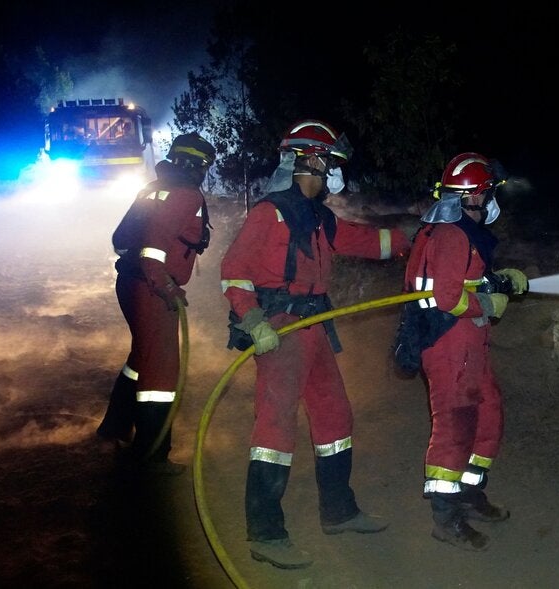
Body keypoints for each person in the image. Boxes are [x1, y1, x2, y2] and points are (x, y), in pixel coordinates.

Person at [220, 119, 411, 569]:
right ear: (308, 159)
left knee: (334, 417)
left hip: (315, 328)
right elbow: (233, 269)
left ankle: (339, 512)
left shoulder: (319, 217)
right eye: (329, 163)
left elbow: (362, 241)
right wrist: (253, 320)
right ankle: (265, 534)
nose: (332, 173)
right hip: (281, 329)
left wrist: (413, 237)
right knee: (275, 430)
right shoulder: (270, 213)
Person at [402, 152, 529, 550]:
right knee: (455, 427)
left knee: (488, 414)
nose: (491, 199)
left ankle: (469, 493)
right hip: (448, 346)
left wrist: (499, 282)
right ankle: (445, 516)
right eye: (488, 192)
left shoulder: (461, 229)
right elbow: (446, 297)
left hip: (470, 345)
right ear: (471, 196)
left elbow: (468, 278)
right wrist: (487, 305)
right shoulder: (451, 233)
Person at [97, 132, 216, 474]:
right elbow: (154, 249)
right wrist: (167, 287)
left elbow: (124, 242)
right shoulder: (185, 195)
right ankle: (151, 455)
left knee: (141, 358)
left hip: (131, 283)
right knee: (160, 374)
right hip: (152, 289)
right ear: (196, 165)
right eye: (205, 166)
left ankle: (116, 425)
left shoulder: (153, 188)